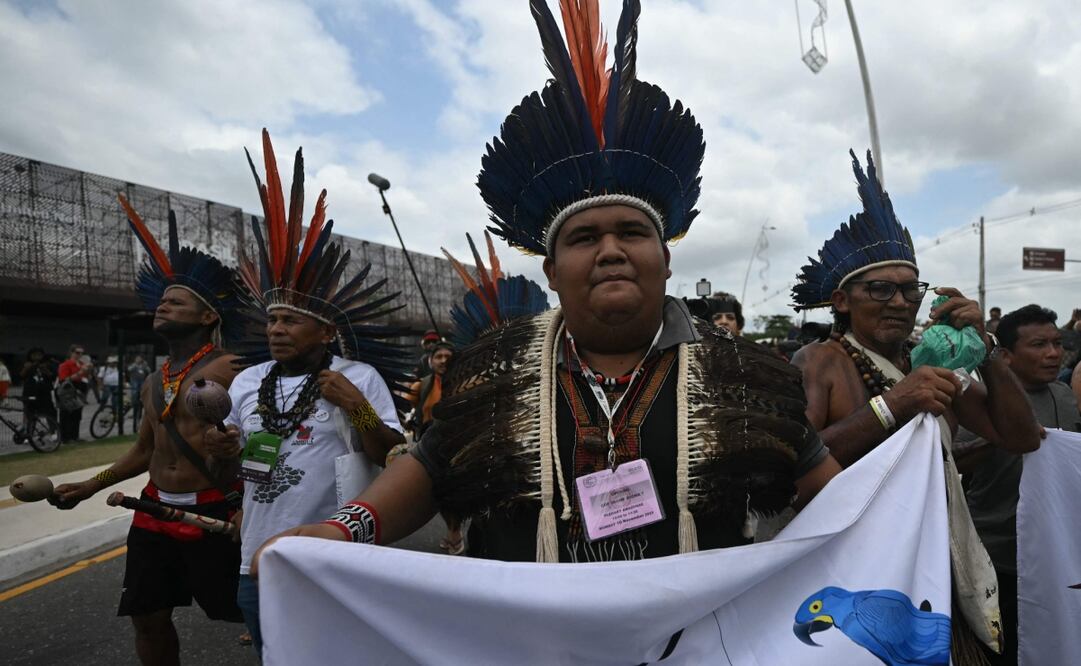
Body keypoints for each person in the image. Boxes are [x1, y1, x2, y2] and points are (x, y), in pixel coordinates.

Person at [252, 0, 837, 571]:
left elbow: (831, 497)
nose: (610, 250)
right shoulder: (492, 368)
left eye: (632, 232)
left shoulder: (742, 370)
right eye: (584, 239)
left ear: (665, 257)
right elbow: (428, 469)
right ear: (551, 272)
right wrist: (343, 528)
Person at [790, 150, 1041, 663]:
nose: (900, 302)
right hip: (858, 578)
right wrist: (891, 407)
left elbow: (1020, 437)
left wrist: (986, 346)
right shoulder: (819, 362)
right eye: (880, 289)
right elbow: (791, 471)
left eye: (910, 290)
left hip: (939, 568)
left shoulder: (932, 364)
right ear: (842, 301)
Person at [201, 131, 409, 657]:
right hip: (259, 557)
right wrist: (227, 453)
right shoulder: (247, 382)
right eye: (272, 319)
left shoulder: (358, 378)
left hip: (336, 552)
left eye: (291, 320)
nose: (276, 329)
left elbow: (392, 458)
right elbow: (243, 472)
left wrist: (357, 409)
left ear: (325, 332)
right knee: (274, 655)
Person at [50, 199, 247, 666]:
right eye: (162, 299)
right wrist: (88, 485)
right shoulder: (155, 381)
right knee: (149, 618)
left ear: (208, 317)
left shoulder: (237, 369)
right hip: (152, 510)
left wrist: (240, 463)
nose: (164, 304)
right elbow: (144, 449)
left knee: (250, 614)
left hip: (216, 513)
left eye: (177, 301)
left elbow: (266, 440)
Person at [961, 305, 1081, 666]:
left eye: (1058, 343)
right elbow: (953, 460)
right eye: (1040, 344)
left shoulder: (1063, 395)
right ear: (1007, 357)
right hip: (998, 556)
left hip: (1055, 555)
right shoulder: (984, 399)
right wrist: (1002, 438)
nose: (1053, 353)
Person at [56, 344, 92, 442]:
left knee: (77, 414)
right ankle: (65, 437)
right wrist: (80, 373)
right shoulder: (65, 365)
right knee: (67, 414)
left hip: (80, 389)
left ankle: (75, 436)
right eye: (77, 352)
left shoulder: (81, 364)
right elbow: (64, 379)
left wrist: (88, 370)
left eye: (81, 353)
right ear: (71, 353)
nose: (79, 355)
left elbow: (87, 377)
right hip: (68, 390)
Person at [20, 348, 58, 431]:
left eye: (39, 355)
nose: (37, 357)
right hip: (30, 393)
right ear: (30, 356)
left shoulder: (48, 364)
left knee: (50, 412)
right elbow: (20, 377)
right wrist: (26, 368)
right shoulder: (27, 364)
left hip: (45, 393)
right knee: (29, 413)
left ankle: (54, 432)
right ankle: (29, 432)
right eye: (34, 355)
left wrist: (45, 370)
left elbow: (53, 377)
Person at [128, 355, 152, 427]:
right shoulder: (133, 365)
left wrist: (145, 365)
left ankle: (142, 399)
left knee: (142, 391)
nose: (138, 360)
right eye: (137, 358)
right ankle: (134, 401)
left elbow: (149, 371)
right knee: (135, 391)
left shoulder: (144, 365)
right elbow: (129, 369)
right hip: (134, 381)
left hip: (142, 381)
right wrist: (135, 364)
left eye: (140, 358)